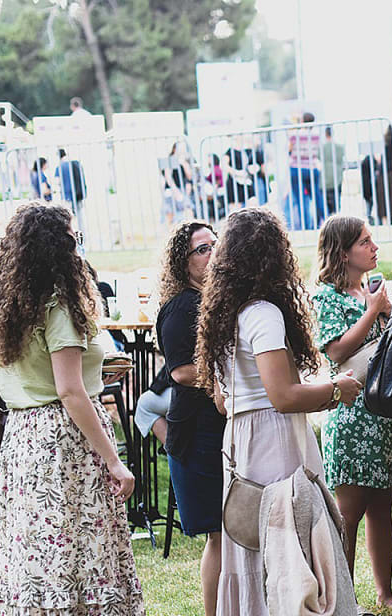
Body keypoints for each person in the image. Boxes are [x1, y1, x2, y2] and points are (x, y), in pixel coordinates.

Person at [194, 207, 362, 615]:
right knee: (284, 538)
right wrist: (337, 389)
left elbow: (222, 399)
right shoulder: (263, 314)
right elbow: (283, 396)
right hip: (273, 439)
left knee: (256, 538)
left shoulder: (224, 316)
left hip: (241, 437)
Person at [0, 202, 143, 615]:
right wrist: (114, 461)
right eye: (76, 237)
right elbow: (69, 391)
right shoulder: (59, 304)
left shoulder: (9, 303)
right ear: (60, 245)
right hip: (64, 440)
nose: (79, 246)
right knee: (79, 549)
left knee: (37, 554)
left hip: (21, 437)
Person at [311, 215, 392, 612]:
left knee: (383, 506)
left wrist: (383, 312)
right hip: (351, 416)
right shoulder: (327, 297)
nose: (374, 247)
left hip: (382, 415)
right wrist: (373, 312)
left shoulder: (370, 290)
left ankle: (384, 593)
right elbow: (336, 351)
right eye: (364, 242)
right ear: (343, 251)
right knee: (347, 515)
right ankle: (343, 599)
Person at [157, 220, 225, 615]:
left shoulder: (214, 298)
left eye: (215, 244)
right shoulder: (183, 305)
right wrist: (230, 385)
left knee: (233, 532)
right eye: (202, 249)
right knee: (219, 533)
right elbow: (182, 370)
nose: (212, 252)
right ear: (183, 261)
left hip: (218, 425)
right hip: (197, 432)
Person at [287, 113, 318, 230]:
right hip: (312, 167)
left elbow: (289, 148)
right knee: (317, 197)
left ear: (302, 121)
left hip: (297, 167)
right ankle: (323, 221)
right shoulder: (316, 135)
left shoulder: (295, 134)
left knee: (301, 199)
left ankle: (306, 226)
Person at [56, 148, 88, 233]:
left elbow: (58, 181)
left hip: (67, 196)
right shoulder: (74, 164)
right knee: (80, 217)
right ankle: (82, 236)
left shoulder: (60, 167)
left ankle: (72, 236)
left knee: (68, 219)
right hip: (78, 195)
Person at [162, 142, 194, 224]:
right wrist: (175, 190)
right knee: (170, 214)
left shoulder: (184, 161)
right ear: (174, 149)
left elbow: (189, 176)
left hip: (182, 189)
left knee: (188, 210)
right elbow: (168, 177)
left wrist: (184, 163)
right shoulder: (169, 160)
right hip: (171, 190)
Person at [318, 125, 346, 217]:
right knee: (336, 201)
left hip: (325, 177)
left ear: (325, 134)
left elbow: (318, 158)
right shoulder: (340, 147)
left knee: (325, 202)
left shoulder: (322, 147)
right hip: (337, 176)